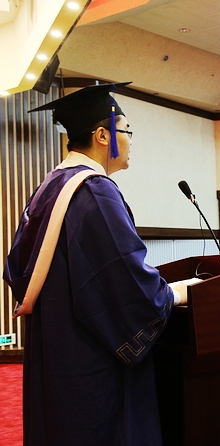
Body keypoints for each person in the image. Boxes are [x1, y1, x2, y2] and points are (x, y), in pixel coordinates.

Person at [2, 84, 185, 445]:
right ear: (103, 135)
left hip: (58, 349)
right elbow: (125, 281)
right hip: (90, 361)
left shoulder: (50, 187)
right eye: (127, 131)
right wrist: (174, 293)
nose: (130, 141)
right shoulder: (95, 191)